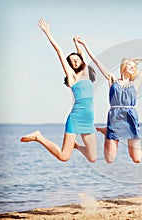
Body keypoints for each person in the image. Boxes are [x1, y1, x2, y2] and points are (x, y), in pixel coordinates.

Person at [20, 19, 97, 163]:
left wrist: (76, 43)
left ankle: (76, 146)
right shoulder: (72, 77)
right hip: (76, 118)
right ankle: (39, 137)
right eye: (71, 61)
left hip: (88, 119)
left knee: (92, 157)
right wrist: (48, 32)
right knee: (64, 157)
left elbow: (81, 54)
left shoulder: (86, 72)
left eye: (77, 59)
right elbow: (59, 51)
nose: (74, 62)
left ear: (81, 61)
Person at [77, 37, 142, 163]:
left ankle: (106, 131)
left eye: (134, 67)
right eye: (130, 65)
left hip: (130, 116)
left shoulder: (135, 83)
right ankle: (108, 131)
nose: (132, 68)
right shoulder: (112, 79)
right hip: (115, 116)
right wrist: (84, 45)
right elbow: (97, 62)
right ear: (124, 66)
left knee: (137, 159)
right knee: (110, 159)